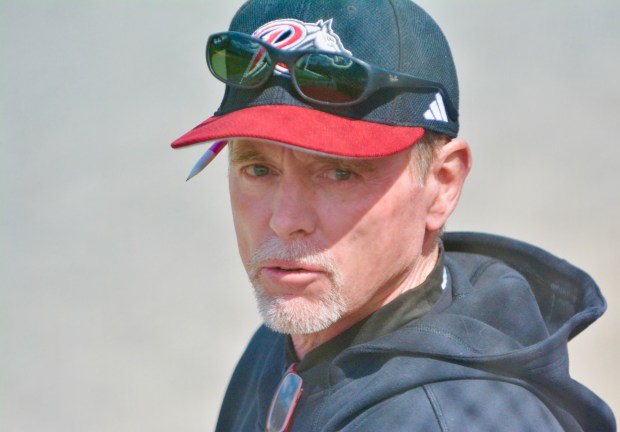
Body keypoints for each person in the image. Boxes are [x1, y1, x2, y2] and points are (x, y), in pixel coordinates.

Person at [171, 0, 615, 430]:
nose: (285, 220)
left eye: (339, 173)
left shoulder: (446, 418)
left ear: (442, 185)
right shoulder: (292, 340)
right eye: (258, 169)